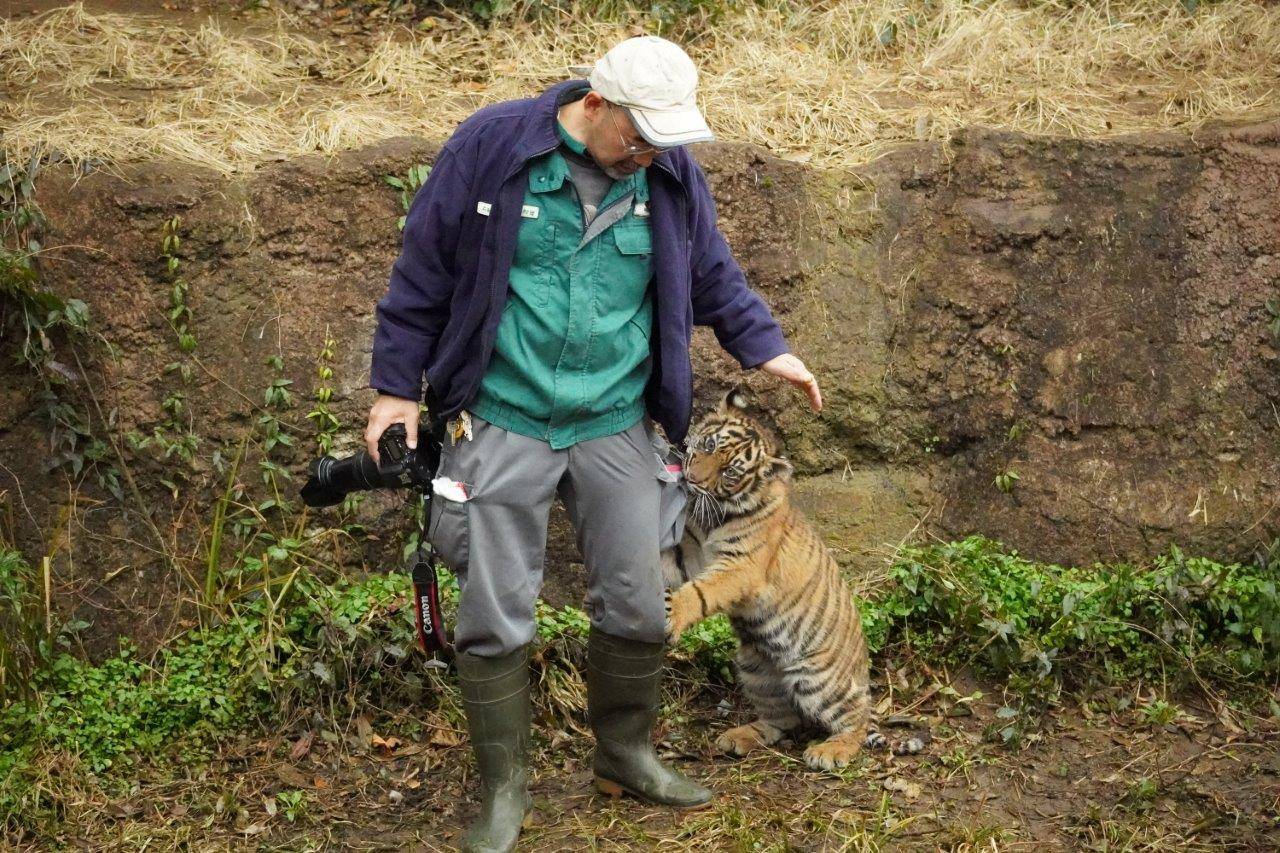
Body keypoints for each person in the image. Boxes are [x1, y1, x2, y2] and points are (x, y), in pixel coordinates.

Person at [365, 35, 822, 853]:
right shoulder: (495, 146)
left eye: (663, 139)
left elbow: (710, 271)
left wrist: (766, 345)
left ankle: (625, 754)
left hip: (616, 419)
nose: (648, 152)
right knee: (497, 613)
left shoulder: (669, 172)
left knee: (642, 602)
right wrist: (397, 390)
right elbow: (423, 269)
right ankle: (504, 793)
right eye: (638, 136)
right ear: (597, 105)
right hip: (504, 413)